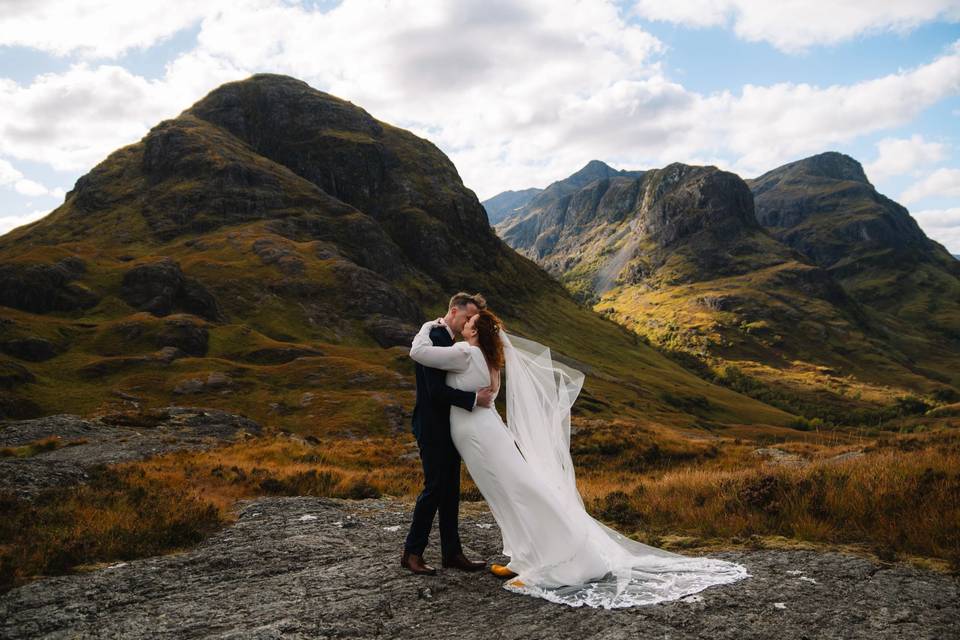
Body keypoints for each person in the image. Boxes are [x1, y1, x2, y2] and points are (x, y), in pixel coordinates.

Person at [408, 309, 751, 608]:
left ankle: (547, 558)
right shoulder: (489, 357)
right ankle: (526, 555)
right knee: (510, 493)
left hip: (480, 436)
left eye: (472, 322)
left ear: (476, 333)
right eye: (467, 319)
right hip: (483, 432)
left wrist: (429, 325)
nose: (466, 323)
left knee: (514, 492)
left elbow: (420, 352)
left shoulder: (465, 353)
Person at [401, 292, 494, 576]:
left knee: (450, 490)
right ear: (454, 311)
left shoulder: (447, 340)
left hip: (450, 429)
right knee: (435, 488)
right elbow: (435, 391)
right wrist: (472, 400)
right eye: (467, 317)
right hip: (432, 426)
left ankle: (452, 553)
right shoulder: (436, 338)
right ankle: (412, 553)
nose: (469, 322)